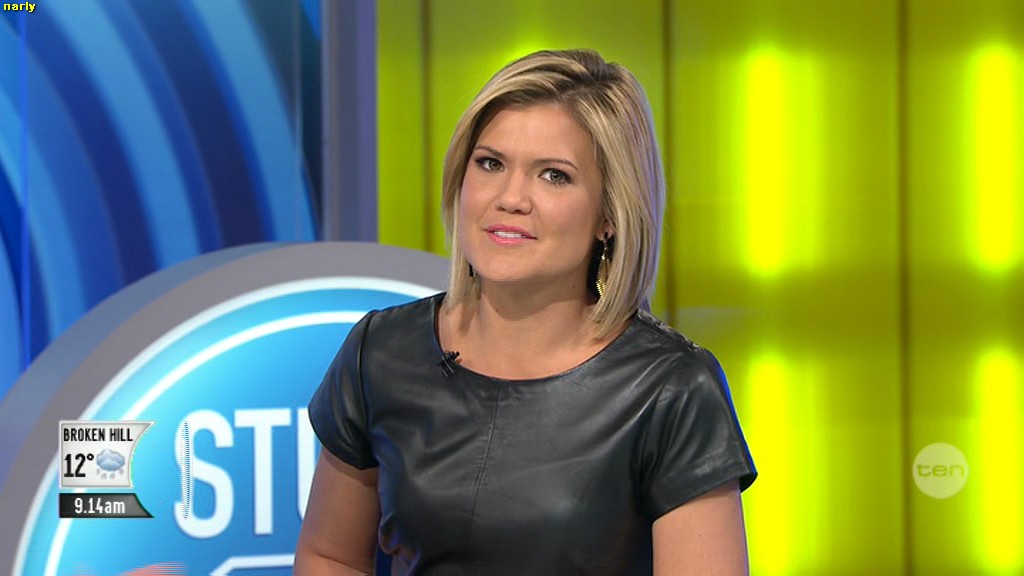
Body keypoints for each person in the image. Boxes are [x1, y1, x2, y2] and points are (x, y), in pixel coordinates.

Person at [295, 49, 756, 575]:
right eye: (490, 164)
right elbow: (330, 556)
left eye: (554, 175)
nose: (511, 198)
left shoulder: (672, 389)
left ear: (609, 214)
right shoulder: (381, 352)